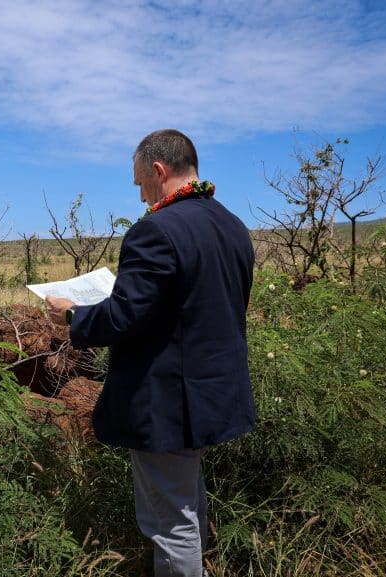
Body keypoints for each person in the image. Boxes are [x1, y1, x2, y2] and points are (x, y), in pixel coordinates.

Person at [45, 129, 256, 577]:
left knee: (169, 522)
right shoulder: (233, 226)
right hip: (212, 395)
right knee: (187, 504)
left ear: (159, 171)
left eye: (141, 183)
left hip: (168, 403)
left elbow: (123, 317)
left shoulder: (156, 230)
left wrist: (72, 316)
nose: (141, 196)